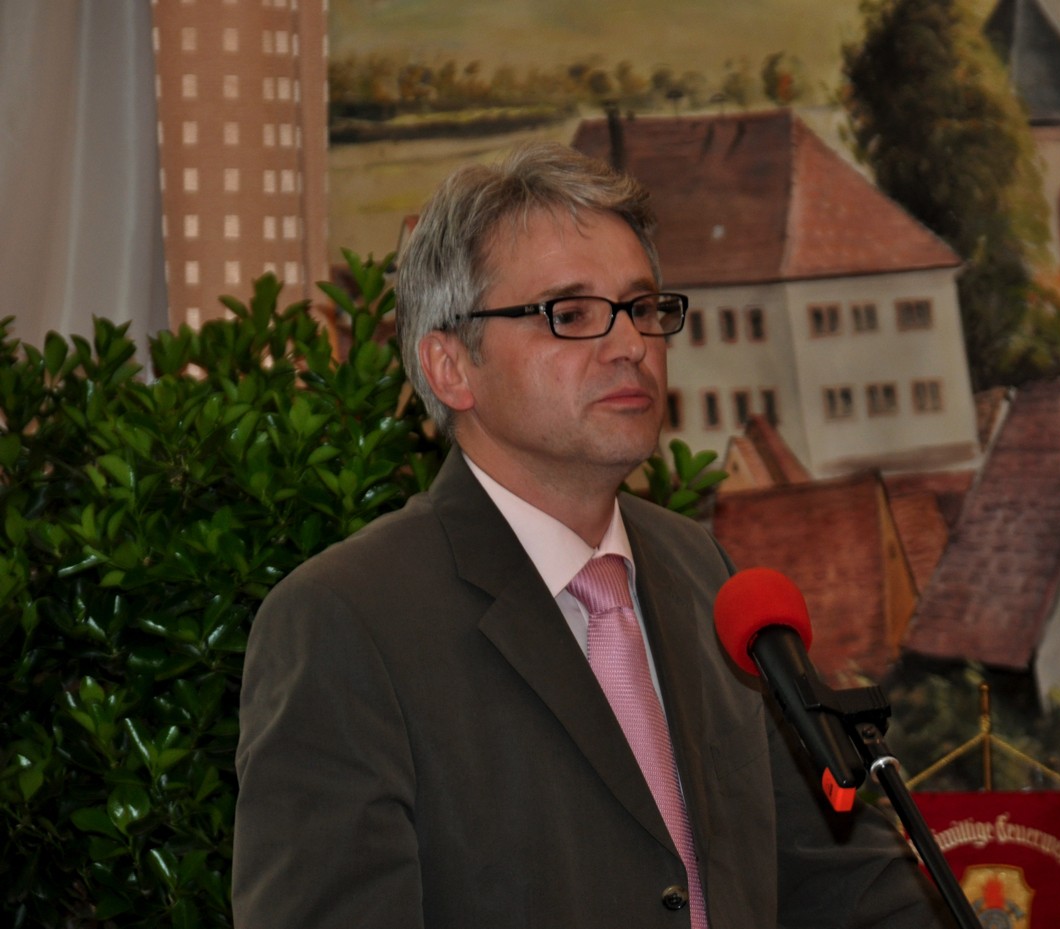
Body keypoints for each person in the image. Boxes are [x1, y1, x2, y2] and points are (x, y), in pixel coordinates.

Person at [232, 142, 949, 928]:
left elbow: (838, 879)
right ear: (449, 366)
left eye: (642, 308)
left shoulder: (705, 576)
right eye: (570, 315)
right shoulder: (345, 622)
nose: (631, 344)